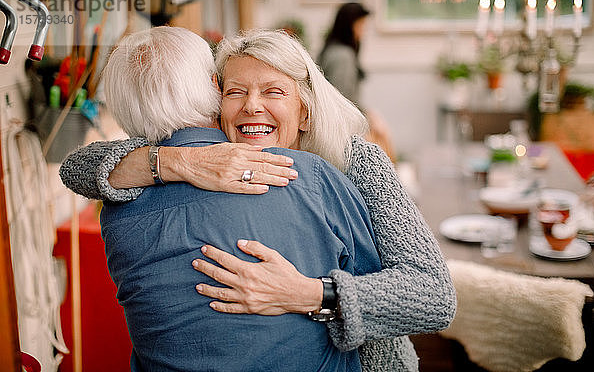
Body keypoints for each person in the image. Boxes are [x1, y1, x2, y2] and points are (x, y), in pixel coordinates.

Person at [60, 29, 456, 371]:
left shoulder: (354, 163)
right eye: (236, 91)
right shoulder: (207, 162)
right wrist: (179, 160)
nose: (251, 105)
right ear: (215, 101)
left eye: (273, 92)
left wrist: (306, 293)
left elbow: (434, 296)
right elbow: (76, 168)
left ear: (305, 110)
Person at [318, 2, 395, 160]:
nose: (364, 31)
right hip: (344, 130)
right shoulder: (342, 57)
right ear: (350, 26)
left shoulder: (333, 50)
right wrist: (370, 119)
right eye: (361, 25)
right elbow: (343, 98)